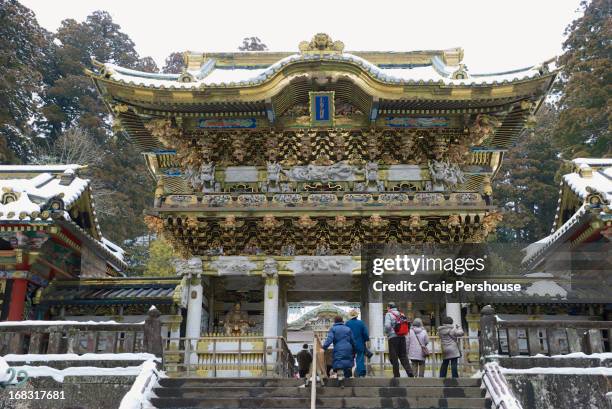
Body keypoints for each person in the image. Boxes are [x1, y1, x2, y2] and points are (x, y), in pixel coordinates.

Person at [384, 302, 414, 378]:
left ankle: (397, 375)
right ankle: (409, 371)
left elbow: (387, 326)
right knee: (403, 355)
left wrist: (387, 332)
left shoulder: (388, 314)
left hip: (393, 338)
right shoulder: (401, 314)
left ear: (389, 307)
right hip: (402, 337)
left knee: (394, 357)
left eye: (387, 307)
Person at [322, 315, 356, 383]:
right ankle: (347, 379)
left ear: (335, 321)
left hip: (338, 348)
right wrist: (354, 350)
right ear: (342, 321)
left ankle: (340, 377)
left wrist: (324, 347)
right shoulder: (348, 329)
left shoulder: (333, 329)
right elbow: (353, 341)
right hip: (348, 348)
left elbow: (329, 339)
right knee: (347, 363)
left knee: (339, 363)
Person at [345, 309, 369, 377]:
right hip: (360, 344)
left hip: (350, 344)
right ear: (357, 316)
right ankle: (361, 374)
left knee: (349, 358)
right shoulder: (361, 323)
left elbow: (345, 334)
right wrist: (366, 339)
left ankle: (348, 373)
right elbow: (365, 333)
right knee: (360, 358)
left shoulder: (347, 323)